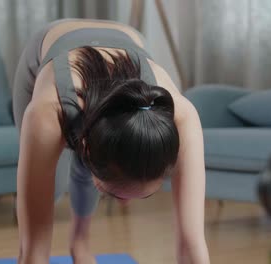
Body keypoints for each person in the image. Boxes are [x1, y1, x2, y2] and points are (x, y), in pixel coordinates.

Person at [13, 18, 209, 264]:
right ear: (86, 147)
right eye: (114, 194)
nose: (127, 201)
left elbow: (192, 244)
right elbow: (32, 255)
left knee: (100, 165)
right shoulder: (46, 113)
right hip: (50, 44)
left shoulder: (182, 117)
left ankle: (79, 242)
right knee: (53, 186)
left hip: (126, 36)